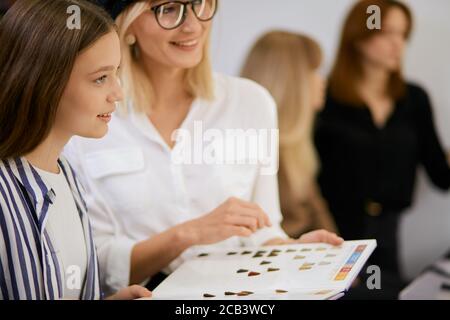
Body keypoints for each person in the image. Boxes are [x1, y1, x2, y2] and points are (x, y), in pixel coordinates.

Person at [65, 0, 344, 295]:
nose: (193, 25)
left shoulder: (251, 101)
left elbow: (262, 229)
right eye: (168, 9)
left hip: (243, 294)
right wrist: (187, 235)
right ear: (128, 24)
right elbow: (99, 267)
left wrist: (293, 252)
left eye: (200, 4)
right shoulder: (95, 117)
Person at [0, 0, 151, 300]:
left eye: (116, 72)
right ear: (44, 82)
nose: (118, 93)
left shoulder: (67, 174)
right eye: (100, 78)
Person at [315, 0, 450, 299]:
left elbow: (440, 174)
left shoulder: (414, 100)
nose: (397, 44)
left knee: (387, 293)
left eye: (403, 35)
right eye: (387, 33)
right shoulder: (324, 98)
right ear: (359, 37)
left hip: (387, 236)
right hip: (331, 235)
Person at [240, 30, 338, 238]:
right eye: (314, 72)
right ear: (291, 81)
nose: (322, 81)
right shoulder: (251, 151)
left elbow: (322, 221)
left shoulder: (296, 148)